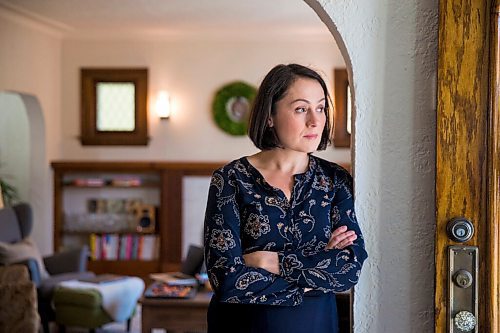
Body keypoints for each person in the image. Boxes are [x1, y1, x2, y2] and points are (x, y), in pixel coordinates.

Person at [203, 63, 368, 333]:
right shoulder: (231, 179)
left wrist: (272, 262)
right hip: (242, 325)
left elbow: (349, 268)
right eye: (301, 109)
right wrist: (318, 265)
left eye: (321, 108)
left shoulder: (335, 180)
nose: (315, 121)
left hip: (316, 323)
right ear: (270, 116)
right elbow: (226, 279)